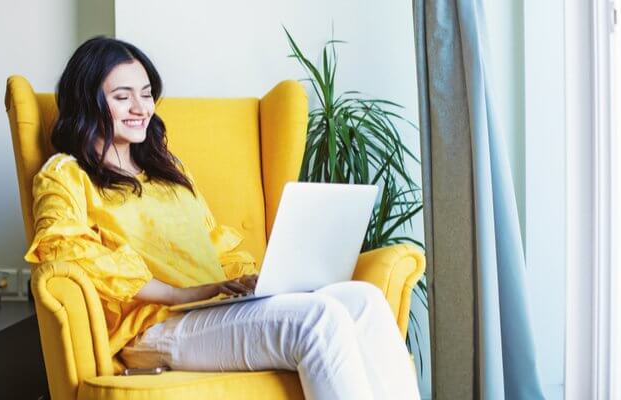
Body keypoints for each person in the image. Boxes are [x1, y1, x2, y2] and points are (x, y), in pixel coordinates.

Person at [24, 36, 420, 400]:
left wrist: (253, 284)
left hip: (213, 311)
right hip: (151, 328)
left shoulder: (166, 171)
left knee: (363, 298)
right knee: (318, 319)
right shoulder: (66, 175)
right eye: (122, 96)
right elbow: (66, 252)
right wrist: (182, 294)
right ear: (87, 100)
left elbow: (212, 241)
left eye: (146, 94)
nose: (141, 108)